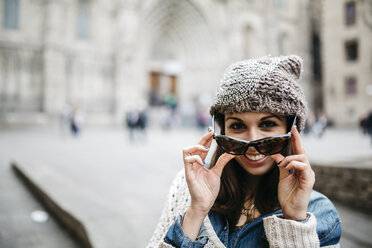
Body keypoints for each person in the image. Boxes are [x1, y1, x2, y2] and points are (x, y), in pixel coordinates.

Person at [147, 55, 341, 247]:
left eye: (267, 124)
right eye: (238, 126)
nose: (252, 140)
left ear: (291, 130)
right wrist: (196, 211)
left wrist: (295, 220)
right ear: (222, 130)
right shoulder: (186, 186)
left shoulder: (320, 213)